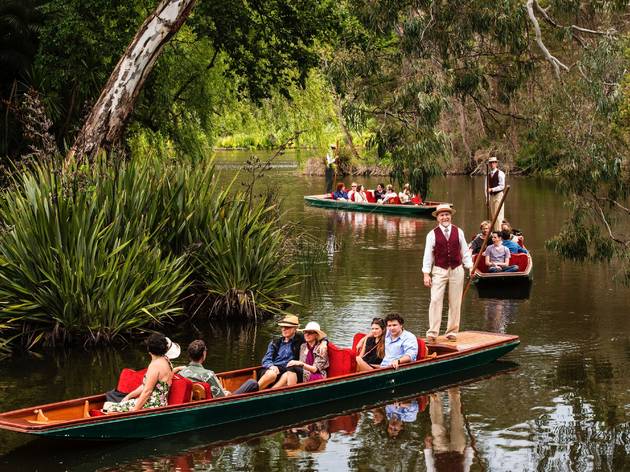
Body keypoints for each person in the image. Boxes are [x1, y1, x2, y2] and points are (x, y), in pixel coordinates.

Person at [422, 204, 473, 343]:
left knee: (455, 301)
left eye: (447, 214)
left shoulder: (459, 231)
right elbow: (428, 255)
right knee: (435, 300)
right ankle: (432, 332)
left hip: (457, 269)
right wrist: (426, 274)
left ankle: (452, 332)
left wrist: (470, 267)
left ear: (450, 216)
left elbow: (465, 251)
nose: (445, 217)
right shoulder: (432, 234)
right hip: (439, 270)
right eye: (442, 215)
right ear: (437, 218)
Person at [104, 333, 179, 413]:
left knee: (107, 407)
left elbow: (147, 391)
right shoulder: (167, 360)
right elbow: (146, 386)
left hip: (152, 405)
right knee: (111, 404)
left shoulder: (155, 366)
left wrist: (135, 410)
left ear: (149, 350)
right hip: (160, 403)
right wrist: (129, 396)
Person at [257, 315, 327, 390]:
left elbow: (317, 337)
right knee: (271, 374)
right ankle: (252, 393)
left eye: (287, 327)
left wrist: (324, 342)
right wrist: (271, 366)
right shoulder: (275, 342)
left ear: (295, 329)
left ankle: (266, 394)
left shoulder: (301, 339)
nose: (284, 329)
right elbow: (266, 360)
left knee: (288, 372)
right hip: (273, 370)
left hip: (288, 370)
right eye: (282, 327)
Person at [424, 388, 474, 472]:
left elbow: (430, 467)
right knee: (457, 420)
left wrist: (428, 448)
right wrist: (470, 449)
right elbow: (467, 465)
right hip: (458, 451)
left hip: (440, 452)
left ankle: (435, 395)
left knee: (436, 426)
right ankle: (454, 391)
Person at [272, 321, 329, 387]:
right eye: (305, 332)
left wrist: (300, 363)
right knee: (286, 373)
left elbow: (315, 369)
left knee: (292, 368)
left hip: (317, 375)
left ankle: (291, 392)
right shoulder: (303, 346)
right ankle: (269, 393)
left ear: (316, 335)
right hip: (304, 372)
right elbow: (301, 362)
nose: (306, 334)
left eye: (310, 333)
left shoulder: (321, 348)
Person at [486, 156, 506, 230]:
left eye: (494, 162)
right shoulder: (488, 175)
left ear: (496, 163)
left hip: (498, 196)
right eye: (490, 163)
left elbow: (502, 186)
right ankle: (495, 232)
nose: (492, 164)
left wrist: (492, 189)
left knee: (499, 216)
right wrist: (487, 199)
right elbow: (486, 188)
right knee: (493, 216)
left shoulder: (500, 173)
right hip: (491, 197)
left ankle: (499, 232)